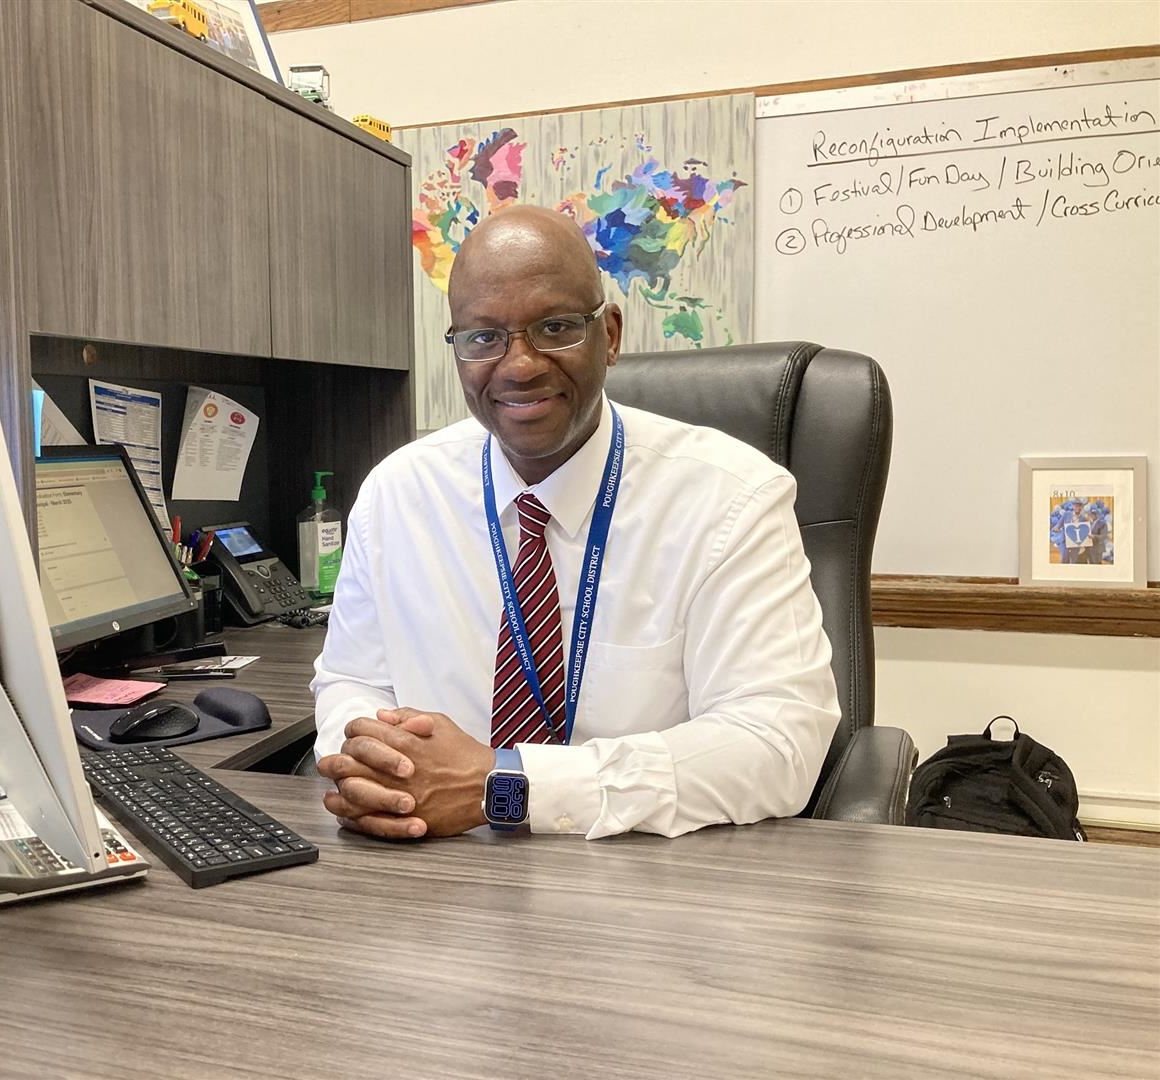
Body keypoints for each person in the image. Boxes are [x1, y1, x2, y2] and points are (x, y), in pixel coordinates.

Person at [310, 206, 840, 841]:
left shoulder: (729, 498)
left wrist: (507, 785)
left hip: (645, 878)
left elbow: (777, 740)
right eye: (483, 337)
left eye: (555, 327)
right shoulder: (396, 493)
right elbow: (352, 679)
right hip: (436, 868)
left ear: (610, 335)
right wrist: (384, 767)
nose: (519, 365)